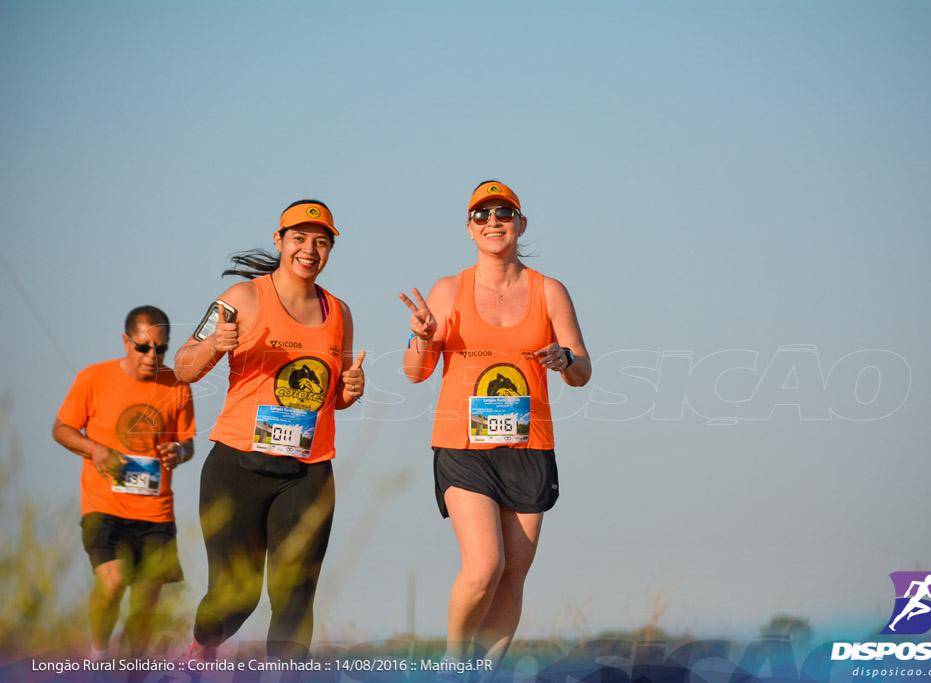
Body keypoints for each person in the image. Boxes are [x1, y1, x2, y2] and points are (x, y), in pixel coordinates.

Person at [399, 180, 592, 673]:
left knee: (513, 575)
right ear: (469, 229)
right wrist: (422, 337)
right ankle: (451, 661)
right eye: (482, 215)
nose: (493, 222)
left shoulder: (550, 291)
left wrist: (565, 357)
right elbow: (415, 372)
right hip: (463, 446)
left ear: (520, 224)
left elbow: (582, 372)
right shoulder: (449, 290)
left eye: (503, 213)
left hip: (529, 446)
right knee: (486, 566)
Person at [174, 199, 364, 662]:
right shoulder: (242, 299)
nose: (310, 249)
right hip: (237, 467)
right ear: (279, 242)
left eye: (321, 242)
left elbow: (329, 395)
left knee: (296, 595)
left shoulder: (339, 313)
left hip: (308, 471)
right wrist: (215, 345)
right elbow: (182, 367)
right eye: (299, 238)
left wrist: (350, 391)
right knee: (237, 598)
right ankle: (198, 650)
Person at [53, 305, 196, 660]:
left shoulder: (177, 385)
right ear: (126, 341)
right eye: (143, 346)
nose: (152, 355)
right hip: (105, 506)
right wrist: (94, 449)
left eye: (160, 348)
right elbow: (62, 429)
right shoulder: (93, 378)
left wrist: (177, 451)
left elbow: (188, 442)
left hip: (156, 512)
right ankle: (98, 653)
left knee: (146, 606)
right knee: (113, 583)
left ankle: (132, 669)